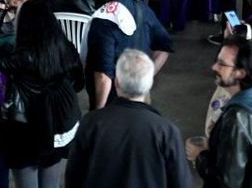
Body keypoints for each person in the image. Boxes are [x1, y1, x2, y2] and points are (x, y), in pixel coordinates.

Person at [0, 0, 84, 188]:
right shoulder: (64, 48)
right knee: (51, 182)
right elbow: (78, 82)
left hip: (25, 131)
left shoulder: (23, 56)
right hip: (57, 127)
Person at [65, 49, 190, 188]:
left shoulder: (91, 123)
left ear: (117, 82)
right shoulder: (167, 131)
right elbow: (181, 182)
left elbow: (73, 177)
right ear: (149, 84)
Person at [188, 35, 252, 188]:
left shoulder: (237, 118)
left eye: (221, 64)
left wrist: (199, 156)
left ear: (241, 73)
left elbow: (226, 181)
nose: (214, 67)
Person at [85, 0, 173, 110]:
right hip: (141, 96)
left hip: (112, 102)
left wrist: (98, 112)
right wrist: (145, 76)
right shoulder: (142, 8)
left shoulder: (103, 20)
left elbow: (103, 76)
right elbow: (164, 47)